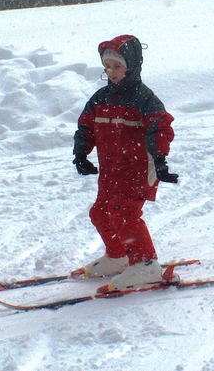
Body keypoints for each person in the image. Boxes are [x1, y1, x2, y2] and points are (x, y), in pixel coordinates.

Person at [71, 34, 179, 293]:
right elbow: (85, 127)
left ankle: (146, 265)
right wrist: (81, 154)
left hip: (138, 170)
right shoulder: (100, 99)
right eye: (107, 66)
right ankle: (119, 255)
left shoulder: (144, 99)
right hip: (110, 170)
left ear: (131, 66)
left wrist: (161, 160)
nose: (111, 72)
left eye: (117, 66)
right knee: (100, 212)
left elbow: (160, 129)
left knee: (125, 213)